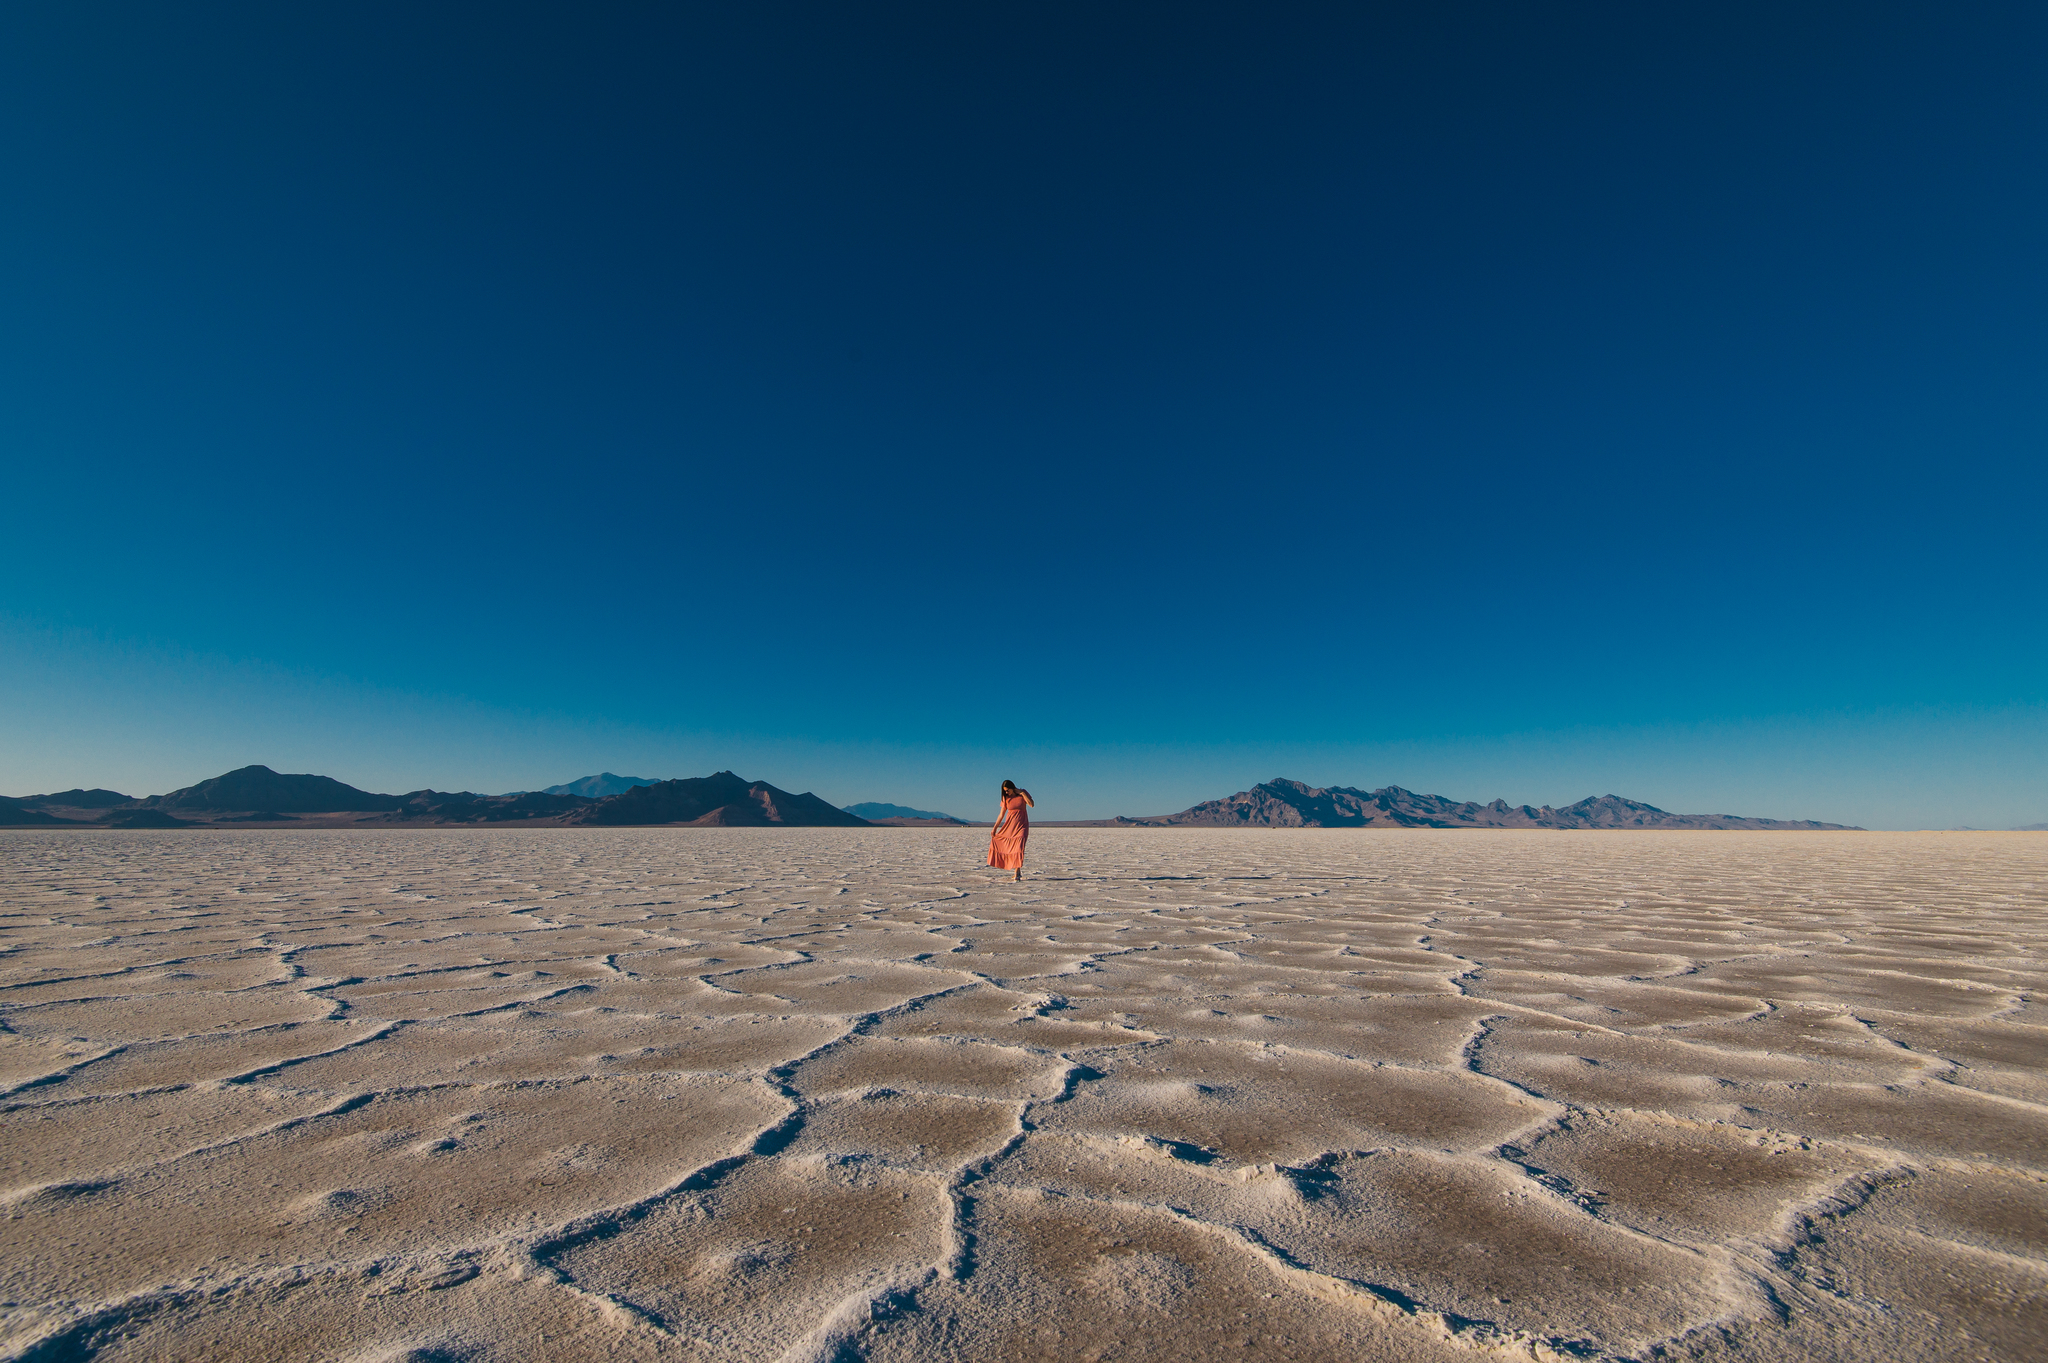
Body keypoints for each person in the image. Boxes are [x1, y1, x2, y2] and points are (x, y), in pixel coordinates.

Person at [987, 780, 1034, 880]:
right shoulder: (1005, 798)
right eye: (1005, 791)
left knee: (1019, 848)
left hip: (1022, 826)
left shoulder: (1023, 793)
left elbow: (1031, 804)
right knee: (1010, 847)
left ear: (1012, 787)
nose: (1006, 793)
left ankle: (1017, 872)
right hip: (1010, 827)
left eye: (1007, 790)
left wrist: (1022, 793)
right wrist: (994, 828)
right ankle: (1018, 871)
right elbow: (1001, 815)